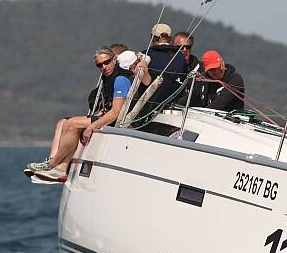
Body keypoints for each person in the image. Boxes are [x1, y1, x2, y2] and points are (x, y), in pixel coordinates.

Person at [25, 47, 133, 182]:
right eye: (100, 65)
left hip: (116, 121)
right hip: (108, 116)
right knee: (65, 123)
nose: (104, 67)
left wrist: (91, 127)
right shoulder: (108, 78)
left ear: (114, 60)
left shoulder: (120, 79)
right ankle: (61, 169)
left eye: (107, 62)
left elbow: (116, 113)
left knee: (72, 124)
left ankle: (52, 164)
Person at [141, 23, 189, 118]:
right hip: (173, 109)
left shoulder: (145, 55)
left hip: (149, 110)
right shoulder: (180, 56)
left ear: (153, 38)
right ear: (170, 39)